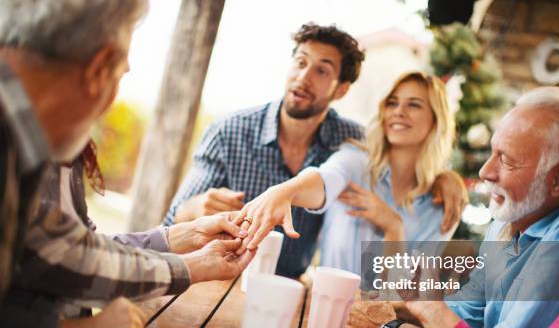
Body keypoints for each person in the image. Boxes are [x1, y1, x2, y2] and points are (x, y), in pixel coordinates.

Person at [325, 62, 559, 328]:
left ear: (558, 180)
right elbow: (465, 310)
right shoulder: (508, 219)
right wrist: (390, 309)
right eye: (491, 151)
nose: (484, 171)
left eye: (505, 160)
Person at [0, 0, 253, 328]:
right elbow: (63, 256)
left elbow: (62, 248)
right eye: (123, 73)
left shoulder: (29, 140)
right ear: (99, 69)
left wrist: (180, 243)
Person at [164, 23, 468, 278]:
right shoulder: (229, 132)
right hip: (219, 277)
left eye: (321, 71)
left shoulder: (349, 139)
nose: (303, 76)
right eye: (300, 62)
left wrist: (443, 177)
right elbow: (172, 222)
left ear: (341, 90)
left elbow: (393, 152)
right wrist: (198, 206)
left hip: (290, 288)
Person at [233, 71, 458, 278]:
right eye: (392, 103)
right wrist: (286, 191)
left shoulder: (440, 206)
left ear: (436, 120)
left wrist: (394, 227)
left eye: (414, 105)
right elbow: (324, 179)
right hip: (322, 308)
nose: (398, 111)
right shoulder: (355, 162)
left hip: (390, 321)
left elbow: (405, 296)